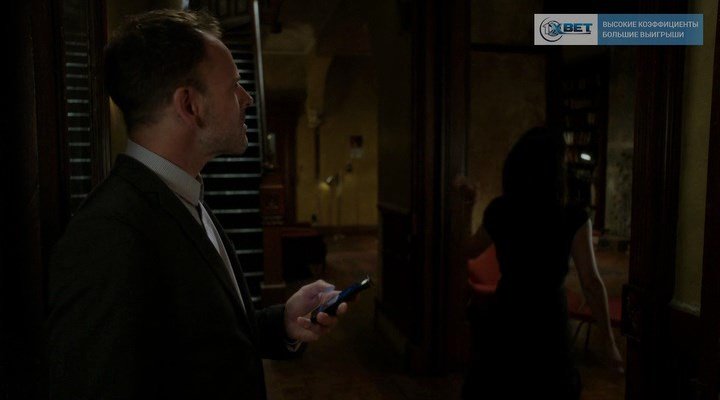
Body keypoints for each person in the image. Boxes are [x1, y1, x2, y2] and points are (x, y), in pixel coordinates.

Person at [46, 9, 346, 399]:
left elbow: (201, 341)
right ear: (190, 105)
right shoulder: (108, 234)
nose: (247, 98)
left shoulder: (179, 194)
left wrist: (282, 324)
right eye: (234, 85)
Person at [457, 127, 623, 399]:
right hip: (549, 318)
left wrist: (467, 207)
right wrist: (608, 341)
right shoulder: (572, 216)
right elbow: (591, 283)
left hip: (507, 312)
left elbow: (468, 250)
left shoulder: (501, 209)